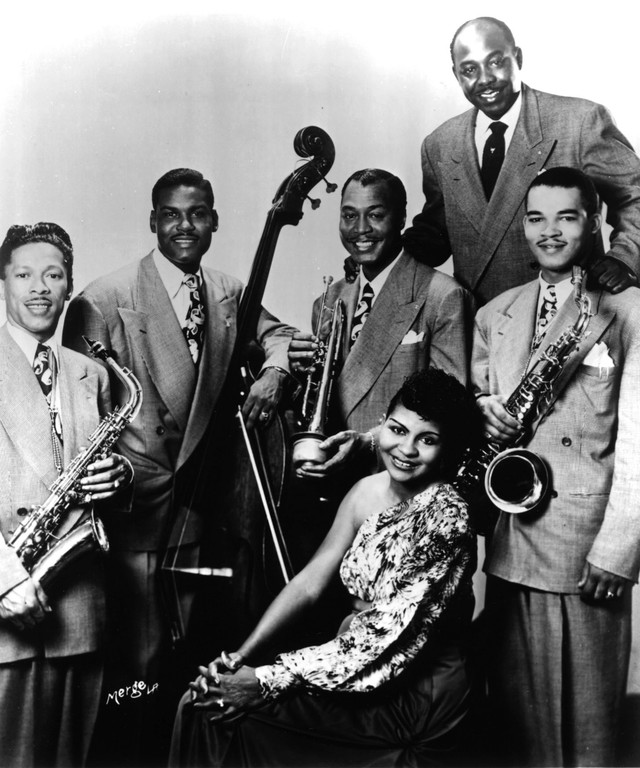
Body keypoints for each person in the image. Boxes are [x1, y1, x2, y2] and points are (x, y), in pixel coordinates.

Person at [62, 168, 296, 766]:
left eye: (197, 214)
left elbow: (281, 336)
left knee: (192, 656)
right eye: (171, 214)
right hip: (140, 509)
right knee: (137, 668)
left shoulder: (228, 291)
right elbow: (79, 417)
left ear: (214, 221)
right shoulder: (102, 299)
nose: (184, 226)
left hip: (206, 504)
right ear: (153, 221)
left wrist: (273, 372)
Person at [169, 368, 480, 767]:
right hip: (349, 660)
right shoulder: (366, 490)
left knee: (219, 715)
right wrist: (240, 657)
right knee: (203, 700)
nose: (407, 449)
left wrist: (265, 680)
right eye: (398, 430)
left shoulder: (448, 517)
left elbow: (385, 638)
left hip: (413, 693)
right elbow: (309, 584)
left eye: (428, 439)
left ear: (447, 449)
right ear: (382, 424)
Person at [472, 167, 640, 766]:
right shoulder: (495, 313)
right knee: (519, 732)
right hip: (512, 542)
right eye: (537, 218)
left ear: (595, 222)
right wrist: (482, 411)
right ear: (522, 226)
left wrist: (618, 550)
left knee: (587, 735)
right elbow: (479, 402)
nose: (550, 231)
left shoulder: (629, 310)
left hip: (584, 549)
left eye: (567, 217)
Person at [0, 222, 131, 767]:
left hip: (79, 613)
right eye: (24, 275)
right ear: (2, 283)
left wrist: (120, 475)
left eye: (53, 275)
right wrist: (4, 579)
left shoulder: (90, 374)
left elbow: (105, 466)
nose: (39, 288)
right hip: (8, 606)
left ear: (70, 286)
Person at [402, 16, 640, 305]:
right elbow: (437, 234)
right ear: (456, 74)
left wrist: (624, 258)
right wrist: (380, 251)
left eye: (495, 62)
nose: (485, 79)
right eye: (469, 69)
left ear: (518, 58)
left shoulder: (580, 121)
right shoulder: (439, 143)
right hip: (478, 320)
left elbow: (634, 197)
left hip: (568, 311)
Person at [288, 168, 472, 479]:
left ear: (401, 219)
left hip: (397, 479)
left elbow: (446, 411)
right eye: (349, 216)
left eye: (375, 215)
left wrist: (371, 442)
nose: (360, 229)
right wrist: (300, 372)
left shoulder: (444, 296)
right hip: (329, 477)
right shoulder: (328, 301)